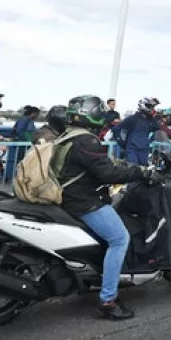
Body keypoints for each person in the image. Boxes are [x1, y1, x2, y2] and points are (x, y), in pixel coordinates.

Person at [57, 95, 160, 320]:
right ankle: (108, 300)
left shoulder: (66, 136)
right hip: (84, 201)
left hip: (67, 197)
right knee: (120, 238)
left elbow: (98, 165)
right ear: (92, 115)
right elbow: (107, 173)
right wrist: (139, 172)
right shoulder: (87, 141)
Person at [111, 97, 161, 165]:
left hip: (144, 150)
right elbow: (116, 129)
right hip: (132, 150)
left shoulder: (150, 120)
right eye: (150, 106)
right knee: (133, 171)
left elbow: (157, 129)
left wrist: (150, 141)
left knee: (143, 172)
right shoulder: (133, 118)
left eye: (153, 107)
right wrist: (122, 143)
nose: (152, 109)